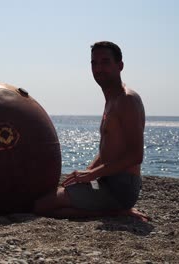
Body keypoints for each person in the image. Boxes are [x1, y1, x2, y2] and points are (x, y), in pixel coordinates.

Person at [33, 41, 148, 221]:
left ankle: (116, 212)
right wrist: (87, 173)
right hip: (105, 180)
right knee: (50, 198)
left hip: (121, 187)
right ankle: (113, 210)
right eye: (94, 63)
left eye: (105, 62)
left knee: (41, 206)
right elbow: (109, 150)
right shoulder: (112, 99)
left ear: (120, 65)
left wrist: (93, 174)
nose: (99, 68)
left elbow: (135, 155)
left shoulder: (127, 100)